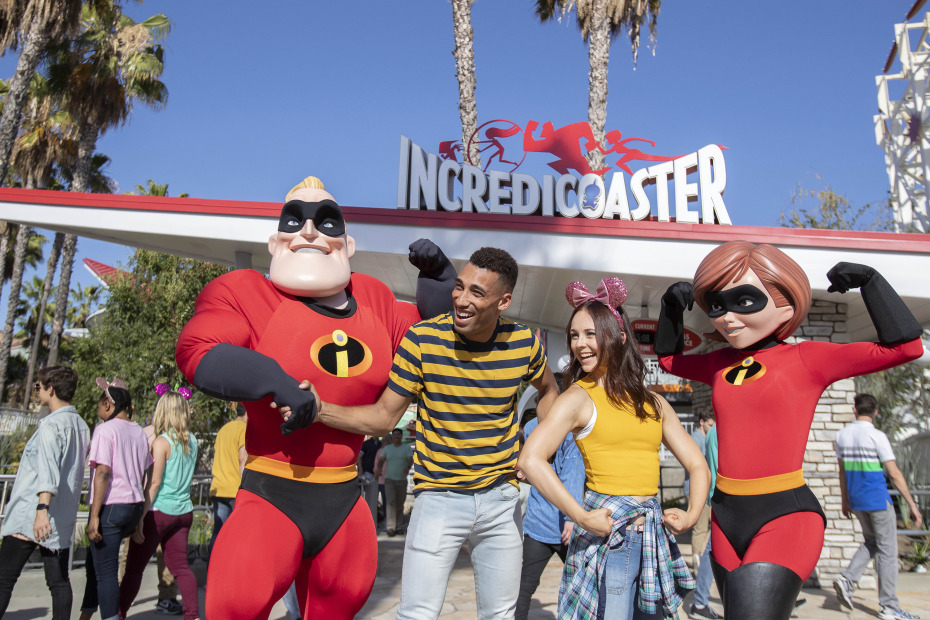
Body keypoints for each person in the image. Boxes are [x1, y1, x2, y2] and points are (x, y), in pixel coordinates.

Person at [175, 175, 455, 619]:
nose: (308, 231)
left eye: (326, 222)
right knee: (235, 607)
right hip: (271, 493)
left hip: (345, 501)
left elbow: (436, 341)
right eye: (295, 220)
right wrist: (274, 379)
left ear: (347, 243)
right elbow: (198, 351)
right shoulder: (247, 293)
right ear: (275, 240)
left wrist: (442, 283)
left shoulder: (374, 301)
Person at [655, 241, 924, 619]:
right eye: (716, 304)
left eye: (743, 301)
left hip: (784, 516)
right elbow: (668, 360)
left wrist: (872, 282)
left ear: (786, 302)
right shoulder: (717, 363)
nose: (727, 318)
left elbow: (906, 347)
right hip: (725, 517)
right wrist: (669, 307)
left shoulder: (807, 358)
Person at [311, 246, 560, 619]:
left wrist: (538, 449)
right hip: (439, 501)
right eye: (459, 286)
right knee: (417, 614)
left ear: (503, 301)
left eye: (477, 292)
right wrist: (318, 410)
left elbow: (550, 390)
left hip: (501, 502)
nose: (460, 299)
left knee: (502, 615)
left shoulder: (524, 343)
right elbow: (383, 418)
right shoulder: (422, 340)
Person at [520, 277, 708, 619]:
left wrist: (692, 514)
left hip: (652, 538)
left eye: (590, 334)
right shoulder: (577, 397)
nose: (580, 345)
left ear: (619, 337)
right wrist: (580, 517)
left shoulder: (653, 403)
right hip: (609, 542)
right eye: (575, 336)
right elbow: (531, 459)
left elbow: (698, 465)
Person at [0, 366, 89, 620]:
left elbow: (48, 469)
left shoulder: (52, 425)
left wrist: (41, 509)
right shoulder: (81, 425)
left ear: (51, 389)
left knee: (4, 578)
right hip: (59, 517)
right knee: (59, 582)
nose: (38, 391)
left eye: (39, 387)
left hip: (33, 515)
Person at [833, 393, 923, 620]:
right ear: (875, 412)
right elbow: (894, 473)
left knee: (872, 542)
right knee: (888, 552)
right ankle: (889, 607)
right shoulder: (877, 436)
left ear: (855, 409)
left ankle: (847, 579)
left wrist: (845, 500)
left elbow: (842, 472)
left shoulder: (842, 435)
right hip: (876, 500)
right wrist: (912, 504)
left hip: (857, 501)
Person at [119, 390, 200, 620]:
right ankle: (192, 615)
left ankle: (118, 613)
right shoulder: (192, 440)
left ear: (162, 411)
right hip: (184, 511)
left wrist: (139, 519)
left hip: (159, 512)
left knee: (134, 569)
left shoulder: (161, 441)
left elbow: (154, 484)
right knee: (181, 568)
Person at [79, 379, 152, 620]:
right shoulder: (139, 432)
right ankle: (86, 614)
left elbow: (102, 472)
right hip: (132, 506)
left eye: (100, 405)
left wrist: (93, 516)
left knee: (106, 573)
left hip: (111, 507)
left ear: (109, 405)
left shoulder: (104, 430)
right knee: (95, 565)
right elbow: (145, 472)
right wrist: (139, 517)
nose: (98, 410)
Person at [515, 415, 584, 620]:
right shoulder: (572, 431)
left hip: (537, 521)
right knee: (582, 586)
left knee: (525, 586)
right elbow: (573, 475)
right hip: (566, 525)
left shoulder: (530, 427)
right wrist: (572, 518)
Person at [689, 425, 723, 620]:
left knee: (713, 547)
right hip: (724, 497)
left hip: (717, 496)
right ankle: (700, 601)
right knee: (711, 546)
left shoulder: (712, 432)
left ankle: (700, 601)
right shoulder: (720, 430)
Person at [208, 402, 247, 556]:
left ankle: (212, 568)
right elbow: (242, 459)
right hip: (235, 490)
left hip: (219, 487)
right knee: (238, 535)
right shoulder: (243, 429)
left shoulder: (223, 429)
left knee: (218, 533)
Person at [687, 409, 715, 571]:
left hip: (706, 488)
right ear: (702, 422)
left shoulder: (706, 437)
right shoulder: (695, 440)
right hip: (699, 489)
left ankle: (702, 563)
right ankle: (698, 564)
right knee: (700, 528)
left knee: (705, 530)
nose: (712, 428)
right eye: (710, 425)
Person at [375, 428, 412, 536]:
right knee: (390, 502)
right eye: (394, 435)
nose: (396, 437)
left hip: (401, 479)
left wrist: (408, 467)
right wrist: (378, 469)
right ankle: (391, 527)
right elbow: (381, 460)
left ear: (401, 436)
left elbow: (410, 459)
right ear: (392, 436)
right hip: (389, 479)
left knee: (400, 504)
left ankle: (399, 526)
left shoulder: (406, 448)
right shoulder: (388, 449)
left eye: (398, 435)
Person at [358, 433, 382, 524]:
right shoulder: (366, 444)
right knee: (363, 497)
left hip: (377, 475)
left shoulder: (381, 444)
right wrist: (360, 470)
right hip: (366, 472)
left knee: (373, 498)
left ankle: (371, 520)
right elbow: (359, 457)